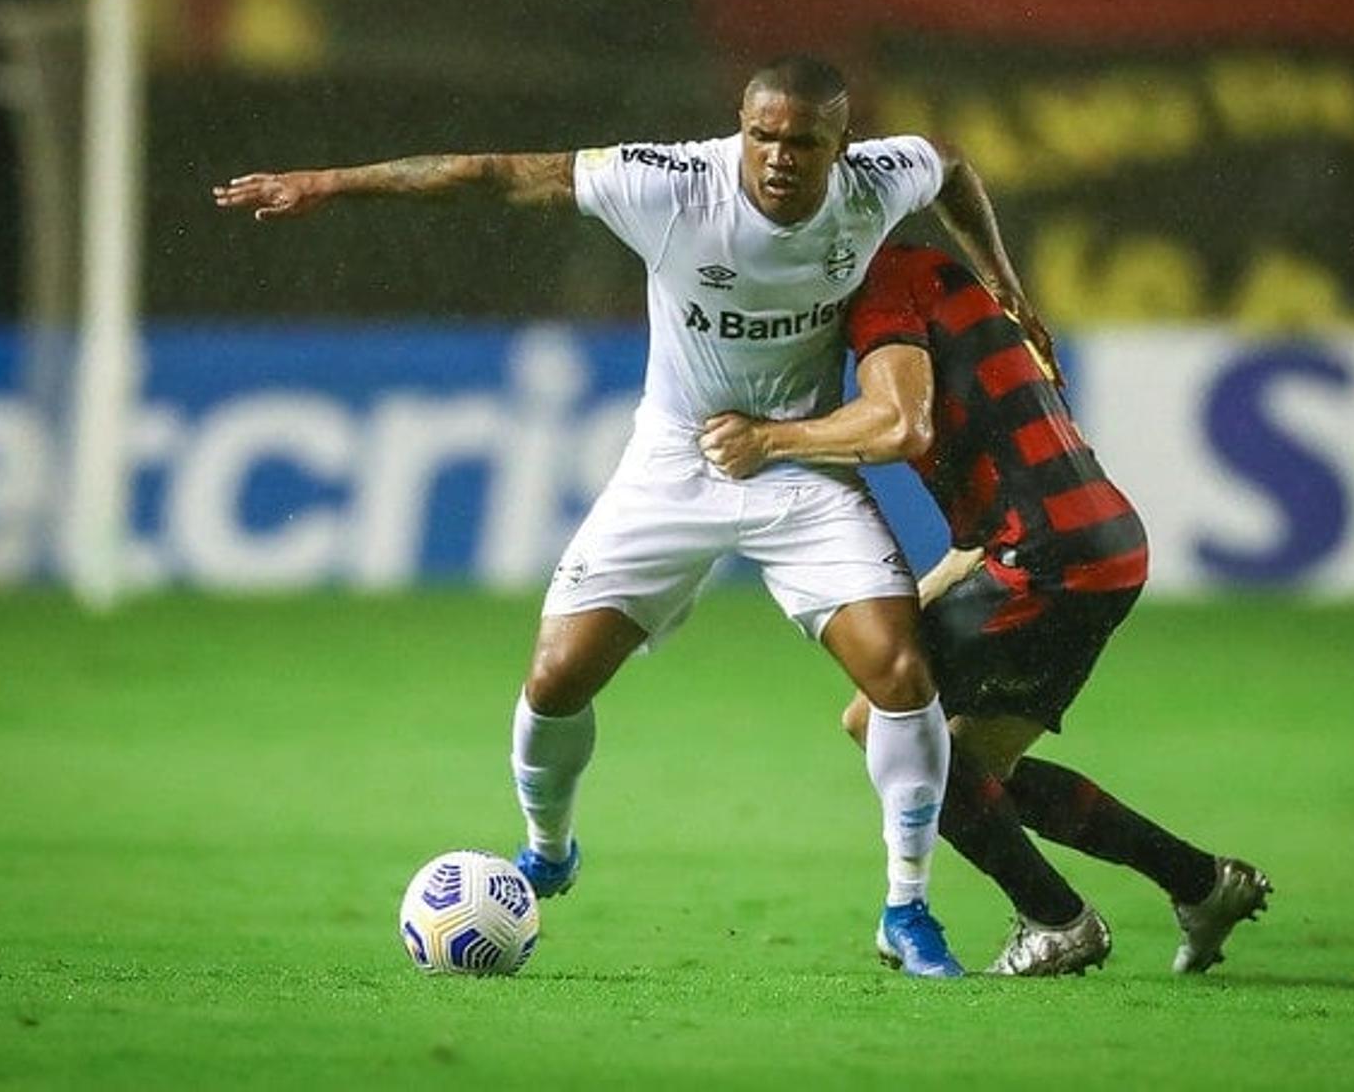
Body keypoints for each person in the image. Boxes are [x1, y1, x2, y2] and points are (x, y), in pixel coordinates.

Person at [213, 56, 1050, 979]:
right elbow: (490, 173)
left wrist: (1000, 276)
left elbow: (954, 161)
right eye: (761, 135)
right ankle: (549, 847)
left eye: (802, 143)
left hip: (799, 464)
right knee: (556, 678)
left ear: (839, 146)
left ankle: (907, 908)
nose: (776, 157)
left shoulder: (874, 185)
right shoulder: (669, 186)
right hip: (673, 465)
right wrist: (328, 184)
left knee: (899, 671)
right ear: (741, 125)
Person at [698, 239, 1272, 977]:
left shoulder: (883, 289)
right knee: (979, 764)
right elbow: (973, 537)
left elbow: (898, 426)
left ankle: (1057, 920)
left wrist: (769, 439)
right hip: (1105, 545)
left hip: (1044, 555)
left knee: (883, 725)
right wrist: (894, 615)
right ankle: (1201, 882)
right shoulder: (944, 279)